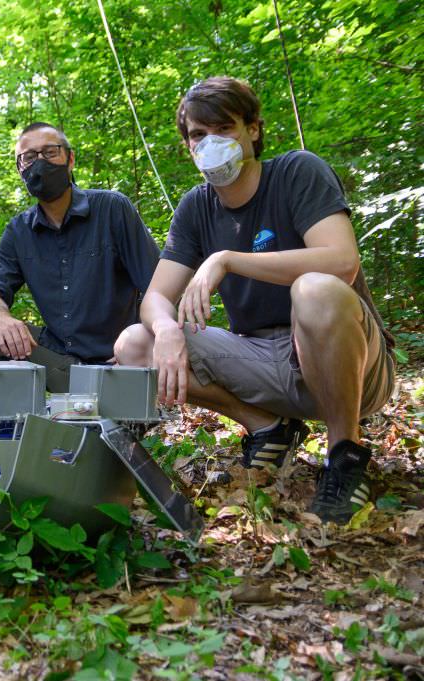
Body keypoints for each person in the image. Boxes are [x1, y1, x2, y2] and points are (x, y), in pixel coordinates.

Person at [114, 77, 395, 523]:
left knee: (315, 288)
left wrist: (227, 259)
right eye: (198, 134)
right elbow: (154, 297)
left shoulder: (296, 172)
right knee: (135, 343)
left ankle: (345, 454)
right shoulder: (195, 207)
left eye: (223, 128)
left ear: (253, 130)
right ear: (187, 145)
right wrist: (166, 328)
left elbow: (342, 261)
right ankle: (268, 427)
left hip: (350, 361)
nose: (211, 143)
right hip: (263, 358)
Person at [0, 122, 160, 392]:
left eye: (50, 152)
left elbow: (158, 286)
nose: (40, 162)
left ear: (70, 159)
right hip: (59, 361)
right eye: (29, 157)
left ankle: (119, 401)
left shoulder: (111, 209)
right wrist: (0, 317)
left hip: (117, 362)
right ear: (20, 170)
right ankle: (12, 424)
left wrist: (142, 343)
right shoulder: (19, 230)